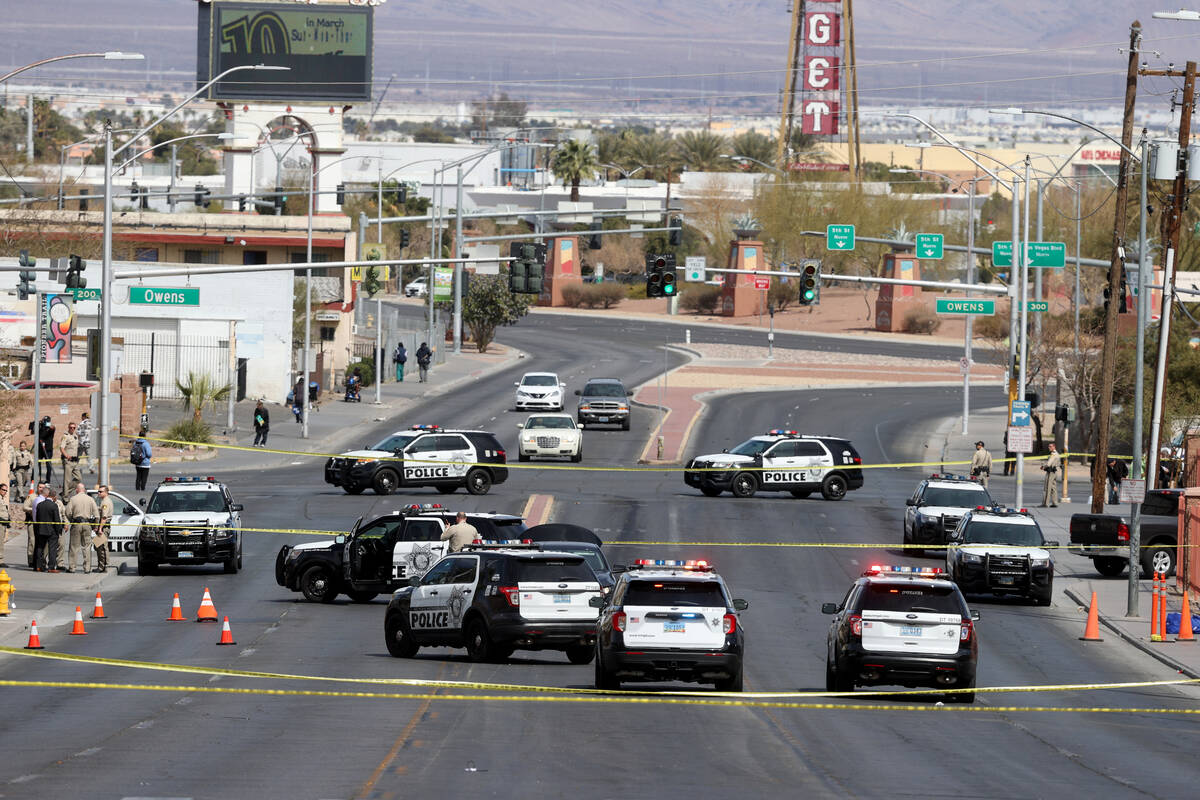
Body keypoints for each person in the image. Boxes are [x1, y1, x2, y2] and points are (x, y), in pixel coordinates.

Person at [64, 482, 98, 574]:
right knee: (87, 547)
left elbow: (67, 512)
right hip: (87, 524)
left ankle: (72, 567)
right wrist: (95, 526)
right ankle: (87, 568)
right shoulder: (90, 499)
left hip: (76, 524)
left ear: (77, 490)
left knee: (74, 547)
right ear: (84, 490)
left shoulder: (73, 499)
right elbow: (97, 515)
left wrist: (72, 520)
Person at [33, 487, 61, 572]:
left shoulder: (40, 504)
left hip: (41, 529)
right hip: (51, 530)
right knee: (52, 549)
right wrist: (58, 530)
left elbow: (37, 518)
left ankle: (38, 566)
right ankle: (51, 567)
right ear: (54, 497)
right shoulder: (54, 505)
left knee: (40, 547)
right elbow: (56, 519)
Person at [24, 482, 46, 568]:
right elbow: (24, 507)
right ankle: (31, 560)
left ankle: (41, 560)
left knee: (42, 543)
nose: (41, 489)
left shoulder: (45, 497)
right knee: (32, 542)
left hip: (42, 523)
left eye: (43, 487)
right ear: (37, 487)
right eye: (40, 487)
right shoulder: (32, 496)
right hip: (32, 522)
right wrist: (33, 509)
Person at [94, 484, 113, 574]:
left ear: (106, 492)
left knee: (103, 547)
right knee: (98, 546)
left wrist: (100, 528)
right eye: (98, 491)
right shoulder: (103, 501)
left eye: (100, 491)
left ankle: (105, 566)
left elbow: (104, 517)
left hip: (104, 528)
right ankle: (101, 566)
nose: (99, 492)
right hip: (102, 527)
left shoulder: (105, 502)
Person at [60, 420, 82, 495]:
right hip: (68, 461)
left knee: (79, 478)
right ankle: (65, 497)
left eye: (74, 428)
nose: (72, 429)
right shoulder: (65, 436)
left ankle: (65, 492)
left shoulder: (75, 436)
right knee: (67, 480)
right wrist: (66, 455)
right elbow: (62, 448)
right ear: (68, 428)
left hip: (75, 461)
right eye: (71, 427)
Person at [1040, 443, 1062, 508]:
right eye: (1048, 446)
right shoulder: (1057, 454)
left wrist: (1043, 466)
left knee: (1047, 487)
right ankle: (1055, 502)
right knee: (1053, 488)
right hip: (1055, 472)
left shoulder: (1053, 454)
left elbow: (1049, 464)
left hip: (1051, 472)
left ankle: (1045, 503)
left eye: (1050, 446)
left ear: (1054, 447)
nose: (1049, 447)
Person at [38, 417, 55, 487]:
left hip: (48, 449)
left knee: (48, 465)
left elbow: (53, 428)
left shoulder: (50, 428)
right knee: (38, 464)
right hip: (40, 449)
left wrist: (48, 425)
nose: (45, 422)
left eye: (47, 421)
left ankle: (48, 480)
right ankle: (38, 479)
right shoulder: (40, 427)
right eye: (45, 421)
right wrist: (40, 424)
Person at [0, 483, 10, 568]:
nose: (5, 492)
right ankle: (0, 560)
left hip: (3, 524)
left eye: (6, 490)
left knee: (1, 541)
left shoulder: (2, 499)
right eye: (3, 490)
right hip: (0, 523)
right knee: (0, 543)